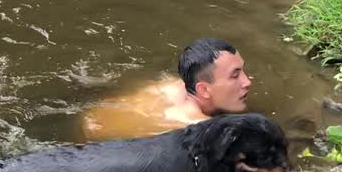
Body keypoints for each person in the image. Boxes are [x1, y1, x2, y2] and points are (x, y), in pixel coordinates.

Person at [81, 38, 252, 141]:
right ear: (204, 90)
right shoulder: (195, 128)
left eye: (243, 70)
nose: (247, 82)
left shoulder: (174, 84)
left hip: (99, 111)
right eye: (235, 76)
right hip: (97, 133)